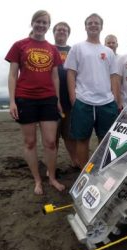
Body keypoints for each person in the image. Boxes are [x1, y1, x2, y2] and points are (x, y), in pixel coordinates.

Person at [5, 10, 65, 195]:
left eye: (44, 23)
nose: (41, 25)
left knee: (50, 142)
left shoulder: (52, 49)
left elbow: (55, 77)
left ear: (48, 26)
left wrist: (57, 100)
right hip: (25, 99)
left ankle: (52, 177)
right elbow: (13, 75)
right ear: (32, 23)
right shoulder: (19, 45)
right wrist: (12, 101)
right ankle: (37, 180)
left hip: (48, 99)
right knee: (30, 142)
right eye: (38, 22)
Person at [64, 13, 121, 170]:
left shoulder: (108, 51)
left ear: (101, 27)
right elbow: (71, 73)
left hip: (106, 101)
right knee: (82, 139)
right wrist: (73, 98)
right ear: (85, 26)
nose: (93, 25)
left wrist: (116, 99)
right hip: (83, 100)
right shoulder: (77, 48)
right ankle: (85, 173)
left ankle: (104, 170)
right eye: (90, 23)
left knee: (106, 139)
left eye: (96, 23)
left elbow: (114, 76)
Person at [53, 21, 78, 168]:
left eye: (64, 30)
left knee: (69, 135)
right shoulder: (48, 48)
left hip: (70, 99)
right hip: (51, 100)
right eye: (58, 30)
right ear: (54, 32)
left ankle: (75, 161)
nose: (61, 32)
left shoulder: (73, 50)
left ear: (68, 34)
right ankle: (52, 165)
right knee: (52, 137)